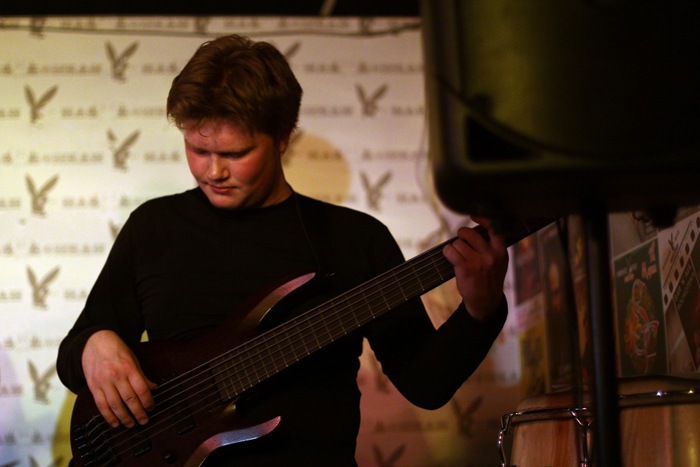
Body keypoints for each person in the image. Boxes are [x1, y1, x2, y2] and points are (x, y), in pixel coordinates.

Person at [57, 34, 509, 466]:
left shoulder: (355, 239)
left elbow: (426, 386)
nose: (213, 172)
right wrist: (93, 347)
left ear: (282, 137)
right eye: (197, 149)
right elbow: (73, 352)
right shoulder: (154, 227)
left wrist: (481, 311)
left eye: (235, 154)